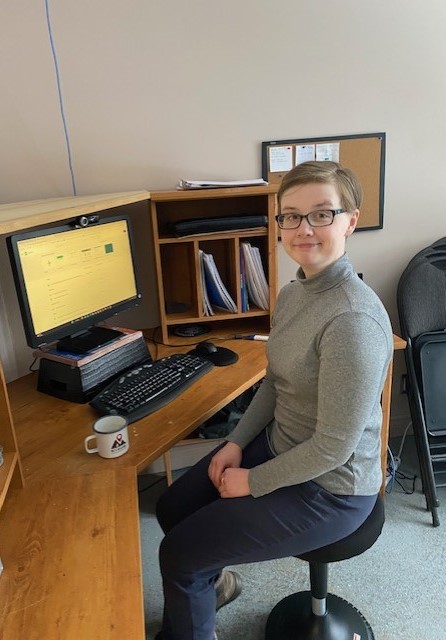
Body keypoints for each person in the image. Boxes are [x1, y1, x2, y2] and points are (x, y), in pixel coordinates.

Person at [155, 161, 393, 640]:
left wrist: (254, 481)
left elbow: (331, 449)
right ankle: (214, 587)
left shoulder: (352, 320)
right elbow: (275, 381)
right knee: (173, 509)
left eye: (322, 214)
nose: (303, 228)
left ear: (351, 221)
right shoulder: (294, 293)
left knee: (179, 554)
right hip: (281, 447)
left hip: (330, 489)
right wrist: (235, 444)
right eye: (290, 215)